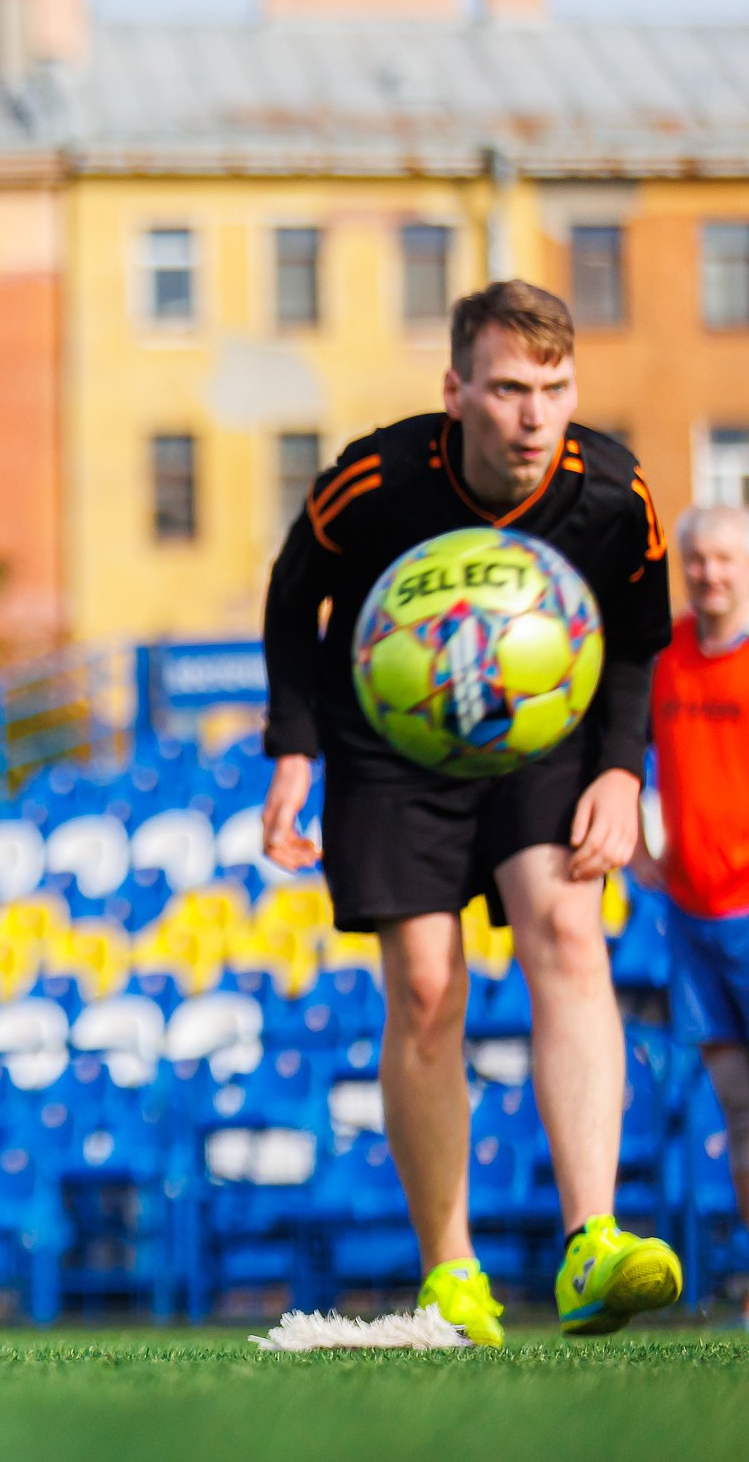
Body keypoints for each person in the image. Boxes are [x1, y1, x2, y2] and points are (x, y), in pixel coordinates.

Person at [258, 279, 679, 1344]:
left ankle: (591, 1243)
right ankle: (451, 1273)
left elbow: (636, 633)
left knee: (567, 931)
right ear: (455, 389)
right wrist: (294, 751)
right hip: (390, 742)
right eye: (505, 388)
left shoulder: (613, 489)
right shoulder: (376, 477)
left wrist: (622, 772)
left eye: (553, 386)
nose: (534, 414)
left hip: (545, 736)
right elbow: (288, 596)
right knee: (428, 986)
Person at [636, 502, 749, 1321]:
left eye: (725, 559)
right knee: (739, 1111)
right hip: (692, 918)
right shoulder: (664, 658)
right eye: (697, 559)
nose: (709, 573)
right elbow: (616, 755)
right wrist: (642, 858)